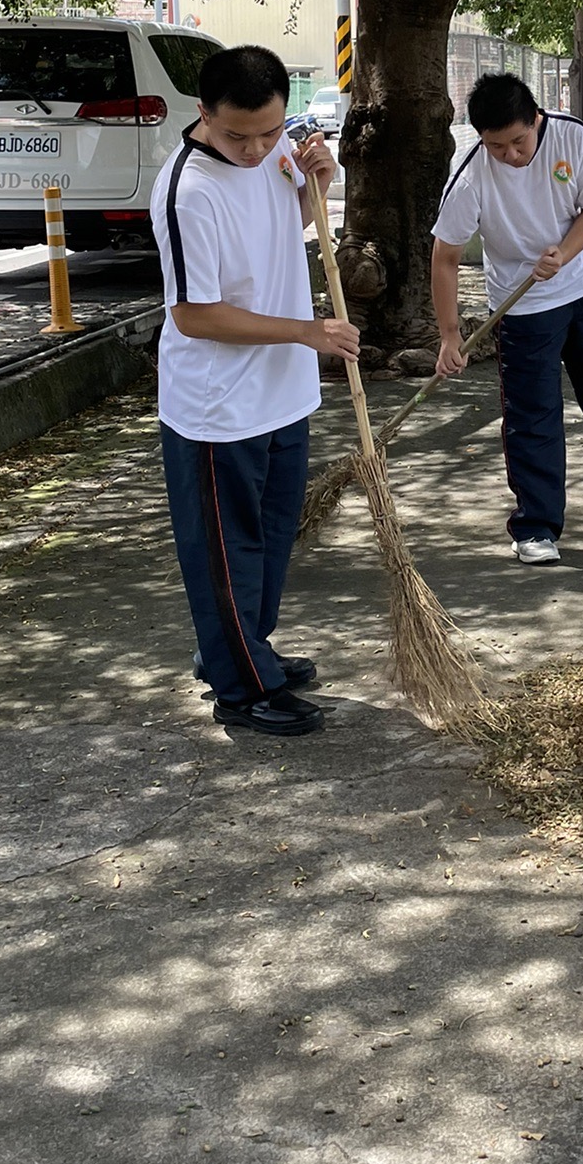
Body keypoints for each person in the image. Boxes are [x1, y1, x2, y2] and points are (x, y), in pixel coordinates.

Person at [150, 43, 359, 733]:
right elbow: (195, 313)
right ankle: (241, 689)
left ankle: (242, 650)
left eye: (270, 131)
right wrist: (305, 332)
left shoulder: (276, 150)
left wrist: (313, 189)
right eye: (239, 135)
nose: (256, 148)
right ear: (204, 113)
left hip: (281, 393)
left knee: (269, 542)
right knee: (225, 549)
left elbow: (281, 224)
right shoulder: (189, 190)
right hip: (220, 406)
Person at [431, 72, 583, 565]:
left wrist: (562, 253)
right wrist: (450, 335)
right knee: (532, 416)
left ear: (535, 119)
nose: (511, 155)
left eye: (518, 141)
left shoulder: (572, 136)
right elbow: (444, 256)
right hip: (521, 308)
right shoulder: (472, 172)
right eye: (496, 146)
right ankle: (536, 525)